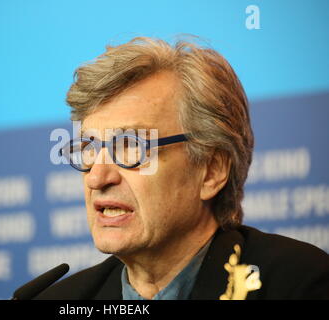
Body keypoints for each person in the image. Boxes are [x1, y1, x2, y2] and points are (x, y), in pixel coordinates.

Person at [22, 36, 329, 299]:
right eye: (88, 149)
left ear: (211, 170)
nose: (97, 178)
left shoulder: (298, 283)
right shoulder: (64, 298)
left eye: (130, 147)